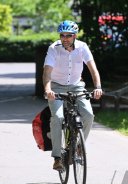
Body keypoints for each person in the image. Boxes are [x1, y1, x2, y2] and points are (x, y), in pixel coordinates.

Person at [42, 20, 102, 171]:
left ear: (75, 36)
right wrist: (48, 90)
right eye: (62, 35)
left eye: (68, 35)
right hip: (56, 86)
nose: (65, 38)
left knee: (88, 114)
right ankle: (57, 157)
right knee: (58, 117)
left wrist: (98, 87)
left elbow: (93, 69)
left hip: (76, 85)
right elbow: (47, 72)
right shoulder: (54, 48)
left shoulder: (82, 47)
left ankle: (79, 147)